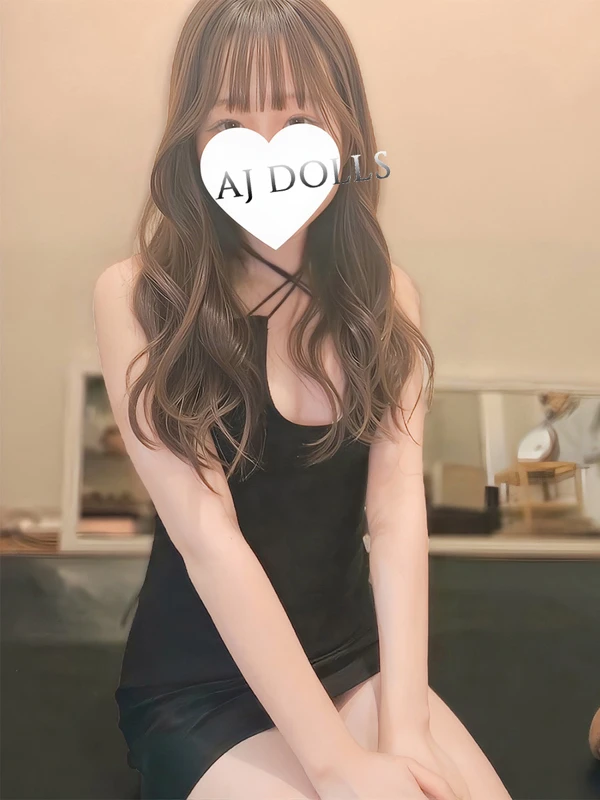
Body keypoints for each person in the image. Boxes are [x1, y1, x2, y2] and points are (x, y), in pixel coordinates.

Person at [93, 1, 513, 798]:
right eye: (229, 124)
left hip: (352, 661)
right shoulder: (139, 296)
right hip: (200, 685)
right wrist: (339, 766)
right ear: (192, 141)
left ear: (345, 131)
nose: (266, 151)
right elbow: (208, 538)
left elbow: (396, 514)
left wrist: (405, 728)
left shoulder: (386, 296)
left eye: (297, 118)